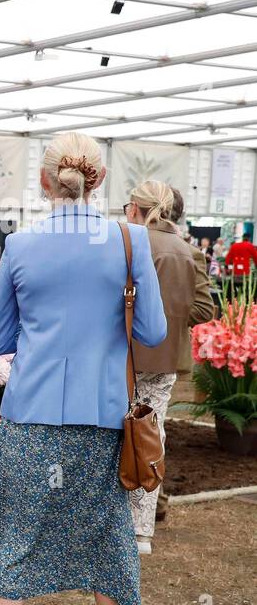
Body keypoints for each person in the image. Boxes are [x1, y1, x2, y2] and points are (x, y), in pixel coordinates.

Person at [0, 132, 166, 605]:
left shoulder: (20, 245)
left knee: (16, 530)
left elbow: (0, 339)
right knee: (109, 534)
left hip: (29, 412)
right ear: (98, 181)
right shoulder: (130, 239)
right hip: (102, 418)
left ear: (45, 182)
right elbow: (152, 331)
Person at [124, 181, 215, 554]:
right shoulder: (190, 252)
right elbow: (205, 309)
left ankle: (111, 522)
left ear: (137, 209)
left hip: (124, 355)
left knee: (109, 434)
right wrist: (172, 320)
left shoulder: (127, 244)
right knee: (151, 436)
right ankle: (142, 531)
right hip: (164, 360)